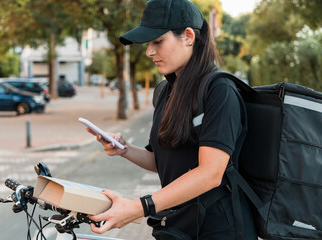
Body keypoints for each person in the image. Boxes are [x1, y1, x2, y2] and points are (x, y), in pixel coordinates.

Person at [87, 0, 257, 239]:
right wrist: (125, 149)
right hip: (177, 227)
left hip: (218, 229)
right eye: (148, 44)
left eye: (158, 41)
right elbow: (165, 161)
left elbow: (210, 173)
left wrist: (137, 207)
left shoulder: (220, 91)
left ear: (188, 36)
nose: (149, 52)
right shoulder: (165, 91)